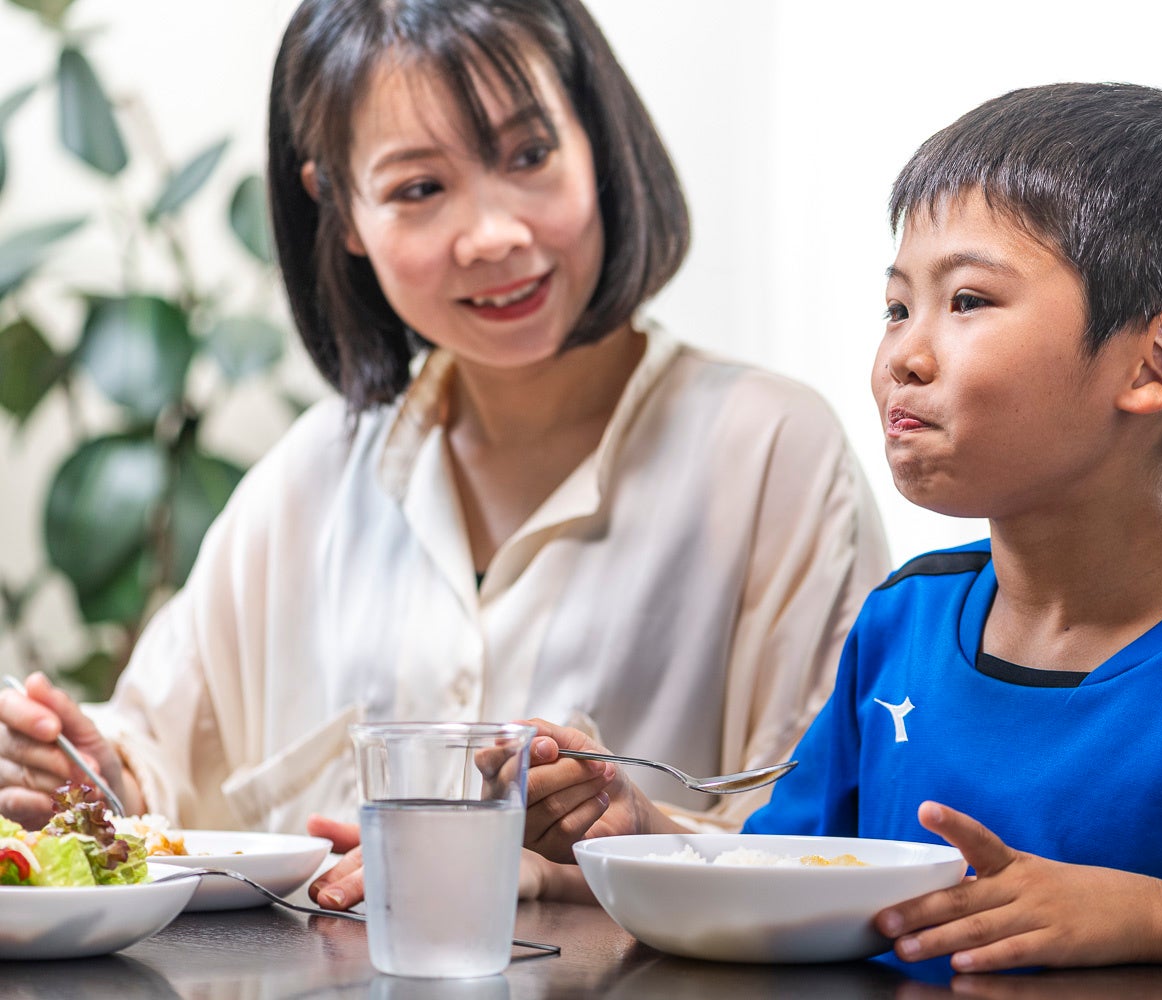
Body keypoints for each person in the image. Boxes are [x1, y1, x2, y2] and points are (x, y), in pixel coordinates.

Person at [519, 83, 1162, 993]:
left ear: (1154, 362)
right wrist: (638, 829)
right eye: (897, 305)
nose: (903, 353)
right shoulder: (903, 619)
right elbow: (791, 872)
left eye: (967, 301)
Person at [0, 0, 889, 908]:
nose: (494, 235)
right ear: (340, 212)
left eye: (528, 154)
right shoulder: (312, 476)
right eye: (420, 189)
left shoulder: (773, 450)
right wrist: (81, 774)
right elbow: (153, 765)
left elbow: (845, 834)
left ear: (596, 138)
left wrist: (634, 836)